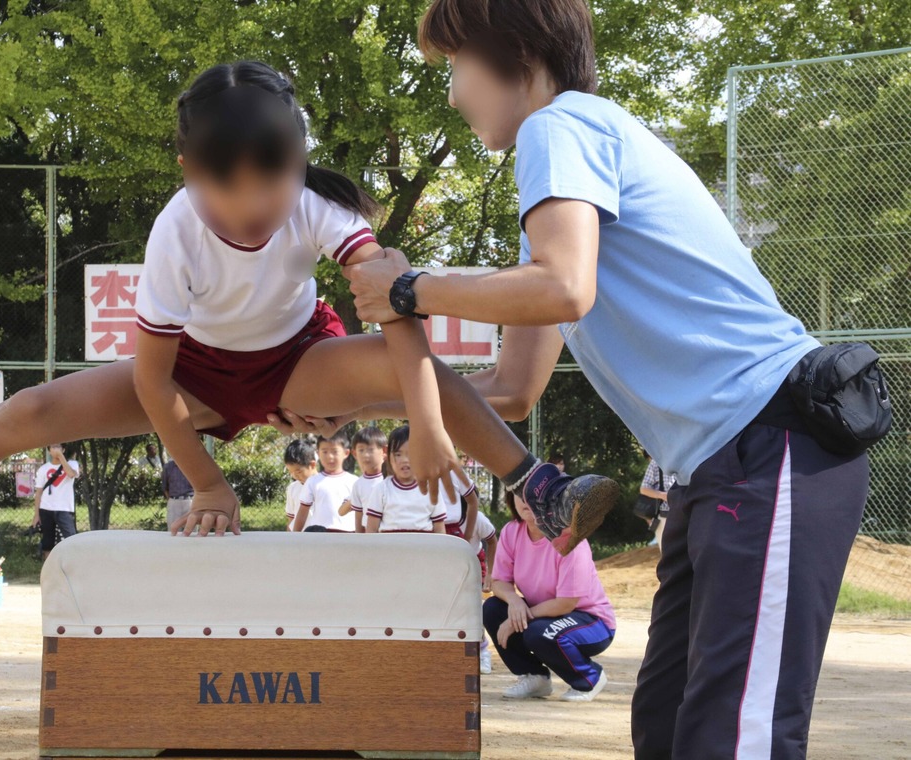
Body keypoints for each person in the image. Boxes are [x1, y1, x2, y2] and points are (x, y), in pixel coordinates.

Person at [0, 59, 618, 577]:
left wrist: (428, 430)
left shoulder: (317, 208)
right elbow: (149, 374)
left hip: (297, 360)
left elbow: (392, 309)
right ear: (189, 172)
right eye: (228, 193)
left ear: (300, 163)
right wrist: (205, 481)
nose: (254, 210)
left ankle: (536, 488)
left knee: (419, 372)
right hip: (191, 377)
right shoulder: (177, 228)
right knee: (28, 412)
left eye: (273, 187)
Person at [344, 2, 873, 755]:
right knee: (667, 726)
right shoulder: (564, 197)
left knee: (734, 738)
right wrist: (337, 405)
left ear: (515, 56)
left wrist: (411, 289)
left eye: (457, 66)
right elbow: (509, 389)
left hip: (769, 443)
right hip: (718, 470)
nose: (454, 92)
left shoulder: (560, 127)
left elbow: (562, 288)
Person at [485, 490, 616, 702]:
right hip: (545, 615)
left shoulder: (569, 538)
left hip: (591, 621)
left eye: (533, 494)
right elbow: (499, 582)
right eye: (519, 494)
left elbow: (566, 603)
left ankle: (590, 677)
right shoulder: (512, 531)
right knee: (493, 609)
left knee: (538, 632)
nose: (526, 501)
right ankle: (535, 677)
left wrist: (518, 618)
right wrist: (515, 601)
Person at [364, 425, 447, 534]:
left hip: (423, 548)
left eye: (412, 454)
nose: (405, 460)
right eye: (398, 454)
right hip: (390, 548)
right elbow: (371, 529)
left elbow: (440, 529)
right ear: (387, 453)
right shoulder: (381, 489)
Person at [292, 432, 357, 533]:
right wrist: (295, 536)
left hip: (348, 536)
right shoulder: (313, 481)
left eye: (335, 452)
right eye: (325, 452)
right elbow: (302, 512)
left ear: (346, 453)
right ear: (318, 453)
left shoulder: (354, 481)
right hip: (319, 536)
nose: (330, 456)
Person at [31, 443, 80, 561]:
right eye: (53, 447)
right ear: (49, 451)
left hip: (64, 509)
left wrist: (61, 457)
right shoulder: (43, 469)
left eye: (58, 447)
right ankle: (49, 569)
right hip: (46, 508)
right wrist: (36, 515)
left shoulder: (72, 464)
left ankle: (73, 565)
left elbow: (71, 474)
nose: (56, 450)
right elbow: (39, 492)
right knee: (48, 542)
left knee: (71, 538)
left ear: (63, 449)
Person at [339, 425, 387, 533]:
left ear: (384, 451)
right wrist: (359, 540)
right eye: (361, 450)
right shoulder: (359, 485)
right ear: (354, 453)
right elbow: (358, 516)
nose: (366, 455)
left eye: (371, 450)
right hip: (369, 535)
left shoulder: (389, 479)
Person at [470, 507, 499, 675]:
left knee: (474, 609)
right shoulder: (435, 511)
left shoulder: (477, 518)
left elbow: (492, 540)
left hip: (472, 562)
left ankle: (482, 652)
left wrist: (490, 572)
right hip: (446, 564)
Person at [638, 455, 673, 548]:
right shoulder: (656, 462)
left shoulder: (688, 458)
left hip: (688, 514)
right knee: (668, 554)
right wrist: (663, 495)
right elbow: (644, 489)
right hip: (664, 516)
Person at [282, 438, 317, 531]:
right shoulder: (292, 488)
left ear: (312, 465)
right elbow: (291, 518)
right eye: (291, 472)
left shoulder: (323, 485)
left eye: (298, 471)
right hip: (299, 539)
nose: (294, 475)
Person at [161, 455, 194, 529]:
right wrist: (171, 500)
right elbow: (165, 487)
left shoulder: (192, 466)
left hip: (190, 501)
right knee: (173, 530)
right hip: (174, 501)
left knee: (191, 532)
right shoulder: (168, 467)